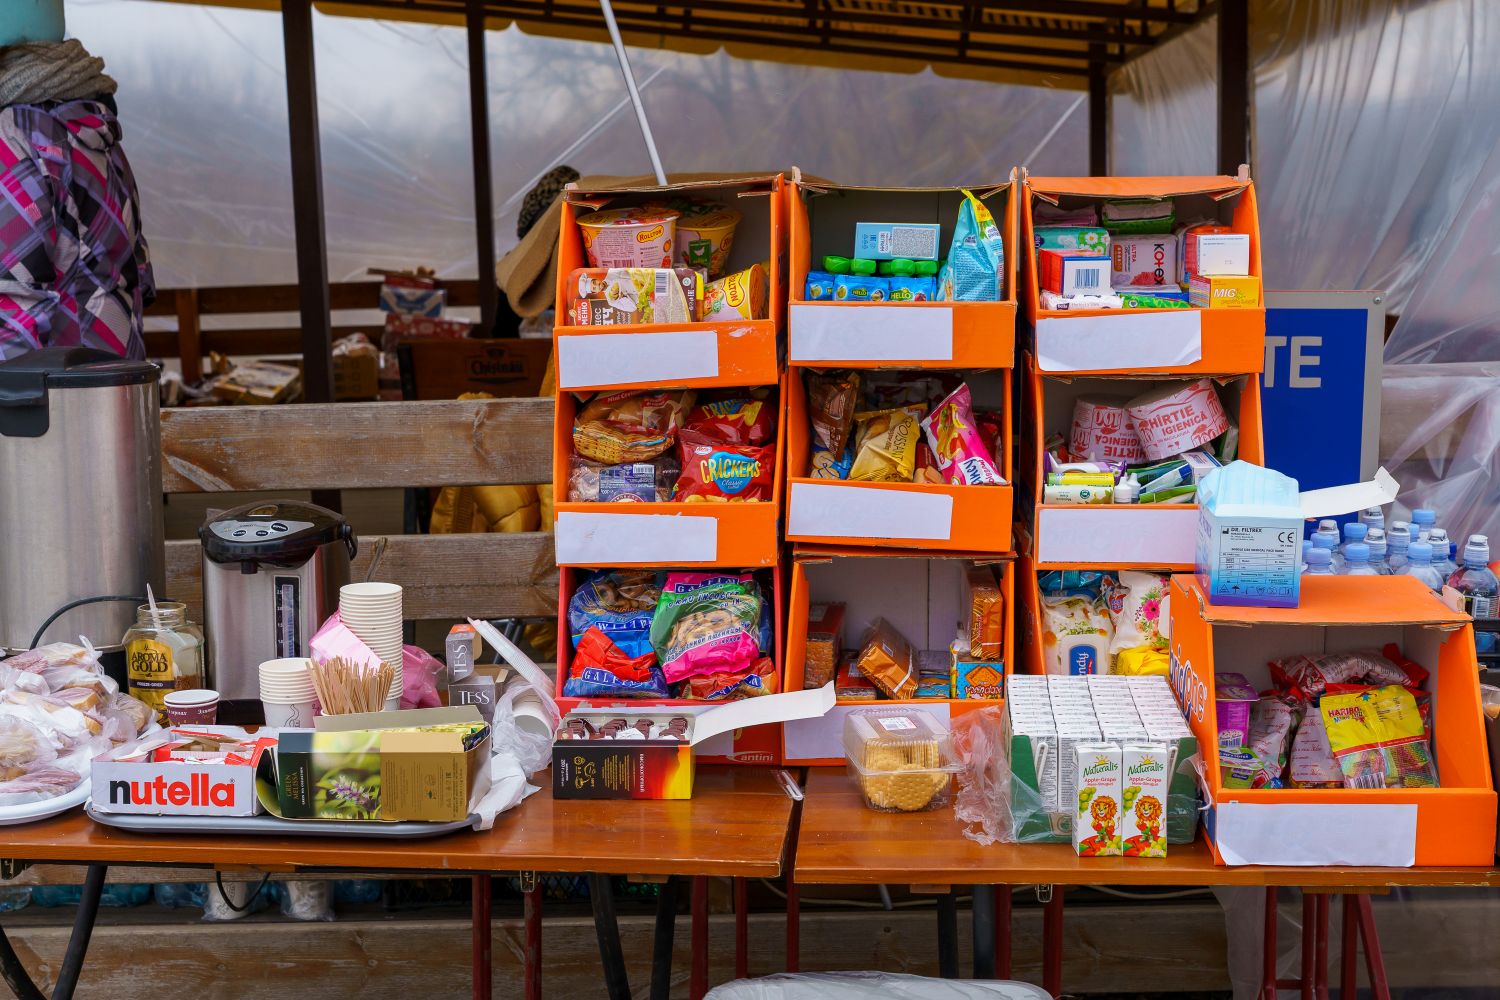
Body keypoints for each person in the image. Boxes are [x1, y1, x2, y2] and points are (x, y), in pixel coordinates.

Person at [0, 22, 153, 361]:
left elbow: (10, 305)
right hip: (117, 376)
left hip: (56, 398)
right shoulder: (97, 134)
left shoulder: (13, 136)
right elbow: (140, 274)